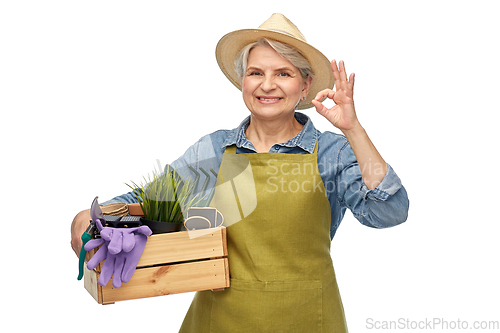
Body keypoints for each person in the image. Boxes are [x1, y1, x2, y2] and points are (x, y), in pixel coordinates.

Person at [71, 13, 409, 332]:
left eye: (283, 73)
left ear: (305, 86)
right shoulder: (216, 151)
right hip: (221, 322)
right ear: (243, 81)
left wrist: (354, 131)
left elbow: (388, 211)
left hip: (307, 320)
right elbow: (145, 201)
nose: (267, 85)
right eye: (256, 72)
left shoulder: (331, 153)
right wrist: (85, 217)